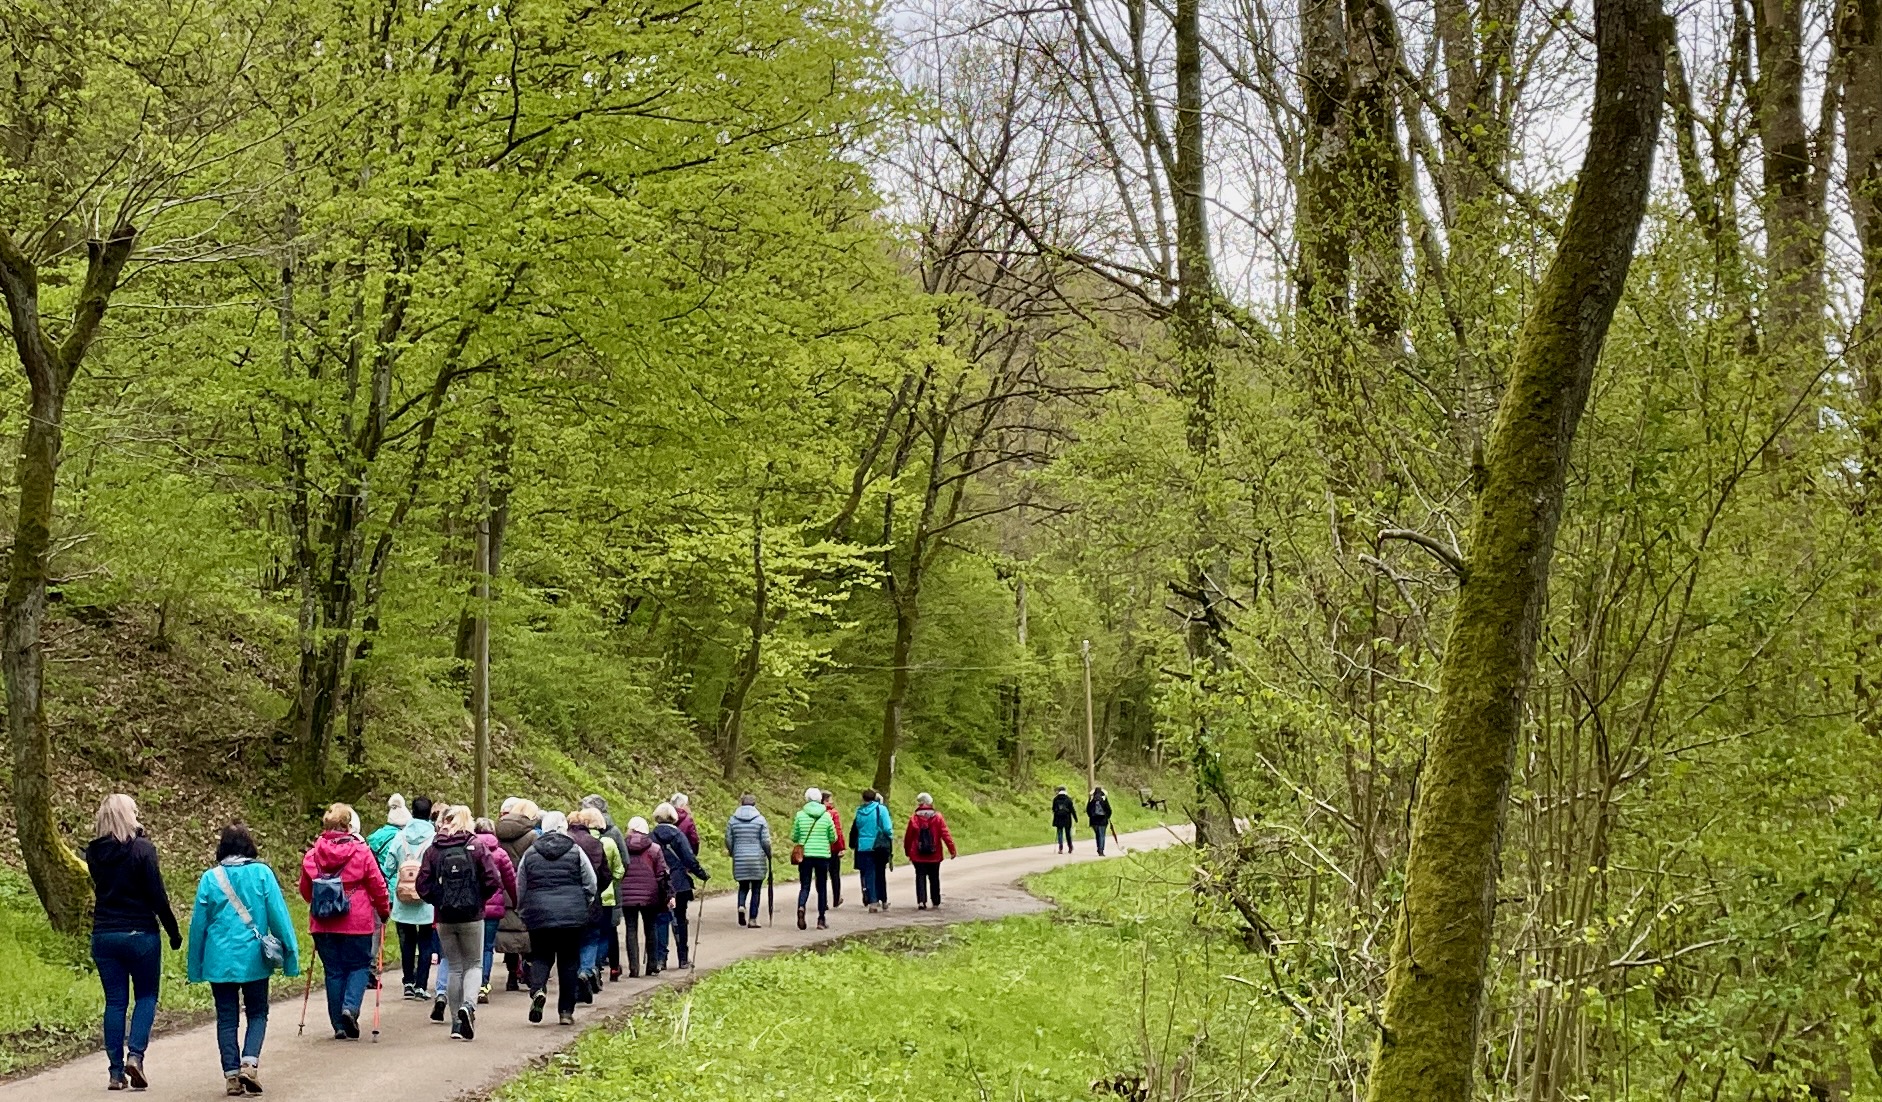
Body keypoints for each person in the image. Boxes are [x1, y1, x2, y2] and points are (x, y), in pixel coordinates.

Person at [187, 822, 300, 1095]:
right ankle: (249, 1062)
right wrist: (290, 955)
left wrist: (195, 966)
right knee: (258, 1012)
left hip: (219, 960)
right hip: (254, 959)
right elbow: (279, 917)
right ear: (249, 846)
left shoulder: (210, 878)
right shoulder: (262, 874)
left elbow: (197, 926)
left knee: (226, 1018)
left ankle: (231, 1075)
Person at [85, 794, 182, 1091]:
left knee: (115, 1002)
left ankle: (115, 1073)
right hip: (140, 933)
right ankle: (135, 1056)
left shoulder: (93, 853)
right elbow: (157, 896)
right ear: (130, 816)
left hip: (104, 934)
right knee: (146, 996)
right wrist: (173, 931)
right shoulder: (143, 850)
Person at [300, 803, 393, 1041]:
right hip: (357, 920)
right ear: (347, 825)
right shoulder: (361, 852)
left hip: (323, 923)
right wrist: (383, 911)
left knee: (334, 971)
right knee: (359, 965)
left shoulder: (312, 855)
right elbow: (377, 884)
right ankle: (350, 1008)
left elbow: (305, 890)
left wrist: (323, 904)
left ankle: (339, 1025)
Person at [417, 805, 505, 1040]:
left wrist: (439, 900)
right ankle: (469, 1005)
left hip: (445, 916)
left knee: (454, 965)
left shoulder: (434, 849)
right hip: (472, 915)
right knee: (474, 964)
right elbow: (493, 879)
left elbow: (422, 885)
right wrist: (479, 899)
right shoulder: (477, 846)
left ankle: (456, 1022)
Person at [517, 811, 597, 1026]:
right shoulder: (576, 851)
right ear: (564, 828)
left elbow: (520, 884)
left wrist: (524, 908)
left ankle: (538, 990)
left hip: (539, 914)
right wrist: (583, 903)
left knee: (541, 956)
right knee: (569, 962)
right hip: (571, 916)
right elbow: (591, 882)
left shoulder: (531, 853)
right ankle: (565, 1011)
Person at [379, 795, 438, 999]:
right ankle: (422, 985)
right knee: (426, 942)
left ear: (412, 812)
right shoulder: (434, 838)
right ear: (430, 814)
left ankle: (408, 982)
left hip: (403, 897)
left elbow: (388, 867)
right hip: (426, 898)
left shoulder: (400, 836)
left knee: (407, 941)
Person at [564, 807, 616, 1000]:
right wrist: (598, 891)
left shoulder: (565, 842)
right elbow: (605, 875)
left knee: (572, 942)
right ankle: (586, 970)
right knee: (591, 938)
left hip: (568, 900)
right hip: (592, 900)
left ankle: (577, 974)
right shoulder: (596, 844)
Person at [651, 803, 710, 968]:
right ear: (673, 817)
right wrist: (702, 874)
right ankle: (683, 958)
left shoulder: (651, 836)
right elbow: (689, 859)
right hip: (679, 884)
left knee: (661, 920)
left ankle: (660, 959)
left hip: (660, 884)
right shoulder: (678, 835)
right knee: (680, 920)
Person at [579, 795, 629, 981]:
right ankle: (607, 966)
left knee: (591, 930)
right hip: (609, 892)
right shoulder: (614, 832)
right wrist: (614, 882)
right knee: (608, 930)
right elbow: (624, 861)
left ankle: (594, 967)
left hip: (587, 892)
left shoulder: (578, 836)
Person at [493, 798, 541, 990]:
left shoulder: (498, 833)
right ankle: (528, 971)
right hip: (524, 888)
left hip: (503, 886)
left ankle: (512, 974)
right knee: (526, 932)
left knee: (508, 932)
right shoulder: (531, 837)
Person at [363, 794, 409, 989]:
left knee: (375, 930)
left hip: (376, 887)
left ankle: (368, 968)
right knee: (396, 931)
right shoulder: (403, 838)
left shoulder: (374, 838)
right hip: (398, 888)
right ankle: (373, 969)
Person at [617, 817, 671, 975]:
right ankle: (652, 965)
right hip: (650, 894)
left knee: (631, 929)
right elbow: (662, 873)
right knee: (651, 927)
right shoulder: (654, 848)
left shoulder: (623, 847)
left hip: (627, 893)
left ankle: (634, 968)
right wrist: (667, 893)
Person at [792, 788, 837, 930]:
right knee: (822, 887)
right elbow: (833, 837)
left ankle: (801, 907)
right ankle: (821, 919)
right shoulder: (826, 816)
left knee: (805, 885)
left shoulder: (800, 815)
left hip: (805, 855)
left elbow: (794, 836)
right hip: (822, 856)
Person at [903, 793, 957, 909]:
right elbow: (945, 834)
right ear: (930, 803)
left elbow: (908, 837)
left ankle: (921, 901)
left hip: (917, 854)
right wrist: (952, 849)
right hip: (935, 854)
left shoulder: (914, 818)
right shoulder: (938, 817)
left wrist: (908, 852)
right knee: (934, 877)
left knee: (920, 876)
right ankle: (936, 900)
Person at [724, 795, 772, 928]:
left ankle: (741, 906)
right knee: (756, 889)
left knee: (743, 886)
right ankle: (752, 919)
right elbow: (765, 841)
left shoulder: (733, 820)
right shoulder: (760, 820)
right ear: (754, 805)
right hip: (757, 858)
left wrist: (733, 851)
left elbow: (728, 839)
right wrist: (768, 854)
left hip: (740, 857)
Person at [850, 790, 894, 912]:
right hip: (878, 845)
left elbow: (858, 828)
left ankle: (873, 902)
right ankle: (884, 900)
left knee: (869, 874)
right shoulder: (881, 809)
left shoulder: (859, 812)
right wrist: (890, 837)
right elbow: (887, 828)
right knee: (880, 872)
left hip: (863, 846)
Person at [822, 789, 846, 908]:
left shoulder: (816, 814)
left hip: (820, 848)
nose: (832, 802)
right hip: (833, 848)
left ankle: (823, 901)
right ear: (825, 801)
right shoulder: (833, 813)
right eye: (830, 799)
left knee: (821, 875)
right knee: (835, 874)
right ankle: (836, 898)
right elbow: (838, 831)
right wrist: (841, 847)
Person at [1086, 786, 1113, 856]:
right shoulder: (1104, 800)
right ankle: (1101, 850)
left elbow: (1088, 810)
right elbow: (1109, 810)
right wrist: (1107, 817)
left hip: (1094, 822)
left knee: (1097, 835)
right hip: (1103, 821)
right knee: (1102, 836)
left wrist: (1091, 817)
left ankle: (1099, 848)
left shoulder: (1092, 800)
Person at [1052, 786, 1078, 854]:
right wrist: (1075, 818)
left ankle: (1060, 848)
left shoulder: (1055, 799)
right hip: (1067, 819)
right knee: (1068, 833)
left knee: (1060, 833)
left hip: (1058, 818)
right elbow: (1072, 810)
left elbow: (1053, 809)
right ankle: (1070, 847)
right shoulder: (1068, 799)